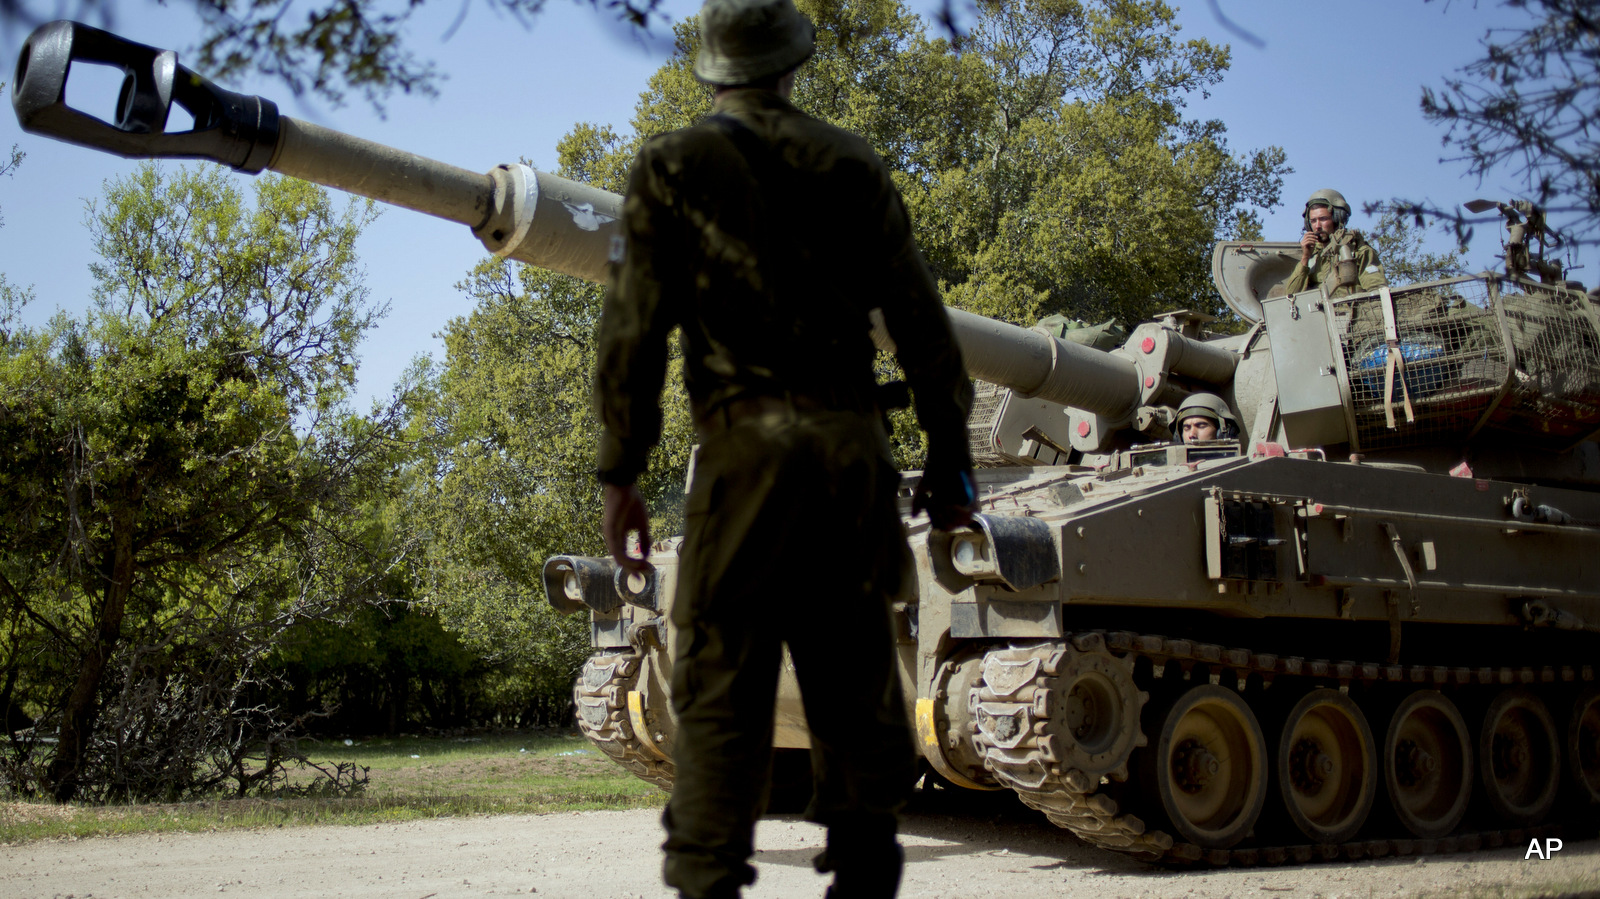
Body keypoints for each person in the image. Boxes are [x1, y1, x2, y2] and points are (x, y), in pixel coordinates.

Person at [592, 1, 977, 897]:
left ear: (713, 70)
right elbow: (925, 331)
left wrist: (620, 473)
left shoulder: (673, 165)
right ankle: (865, 870)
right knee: (854, 686)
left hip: (743, 455)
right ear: (793, 64)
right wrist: (952, 462)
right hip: (848, 456)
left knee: (724, 696)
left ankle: (708, 876)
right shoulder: (851, 163)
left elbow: (632, 334)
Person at [1283, 188, 1388, 298]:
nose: (1317, 226)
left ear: (1337, 218)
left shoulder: (1358, 250)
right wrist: (1305, 258)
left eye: (1323, 219)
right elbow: (1290, 298)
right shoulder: (1311, 257)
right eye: (1313, 221)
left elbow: (1377, 291)